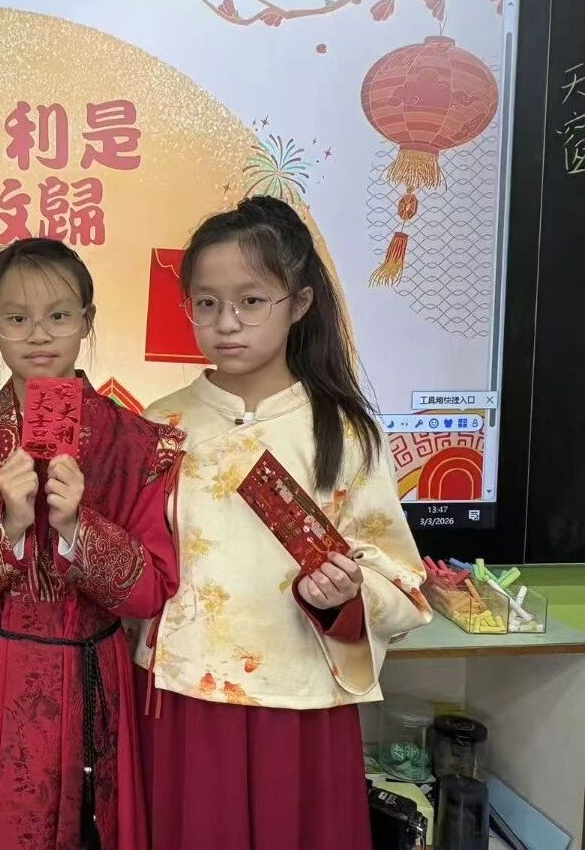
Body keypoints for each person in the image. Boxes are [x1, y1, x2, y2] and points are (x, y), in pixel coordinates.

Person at [136, 195, 431, 850]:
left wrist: (346, 596)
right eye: (206, 302)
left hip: (301, 703)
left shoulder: (346, 433)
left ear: (299, 303)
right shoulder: (159, 425)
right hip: (183, 697)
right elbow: (136, 568)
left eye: (251, 301)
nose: (226, 322)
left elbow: (403, 583)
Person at [0, 238, 183, 850]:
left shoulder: (137, 443)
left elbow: (149, 593)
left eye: (59, 315)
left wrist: (79, 526)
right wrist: (7, 524)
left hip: (91, 675)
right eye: (16, 318)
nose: (39, 335)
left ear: (87, 320)